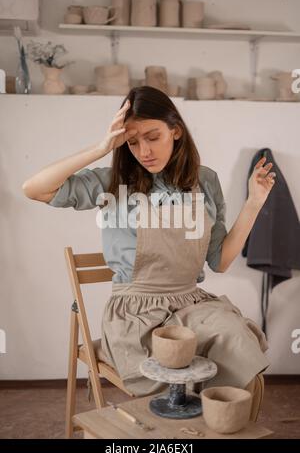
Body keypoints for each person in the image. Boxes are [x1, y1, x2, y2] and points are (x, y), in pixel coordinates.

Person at [23, 86, 274, 398]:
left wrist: (253, 203)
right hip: (134, 316)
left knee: (237, 340)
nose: (144, 151)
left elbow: (219, 261)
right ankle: (176, 433)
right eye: (132, 142)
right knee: (172, 370)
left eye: (153, 136)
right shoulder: (112, 182)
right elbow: (34, 189)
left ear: (176, 131)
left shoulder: (205, 181)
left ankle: (206, 429)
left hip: (191, 304)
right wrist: (101, 147)